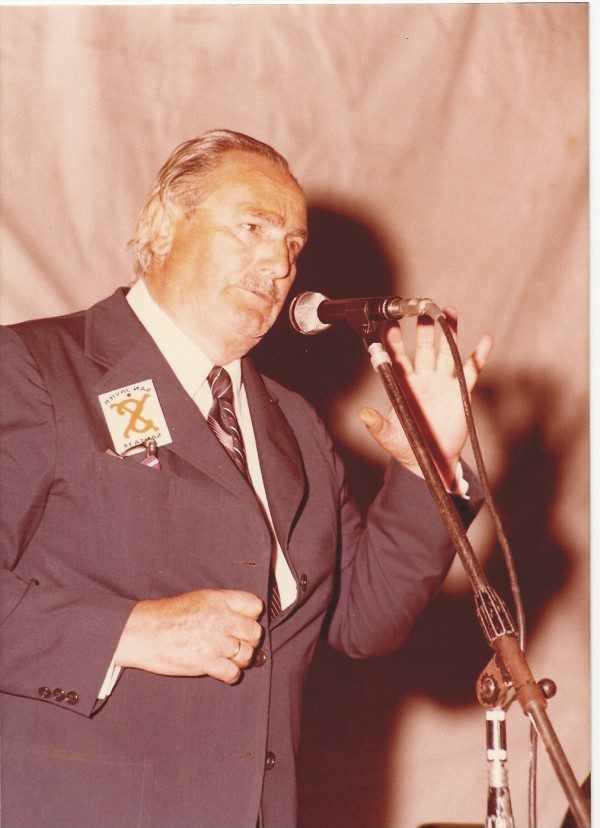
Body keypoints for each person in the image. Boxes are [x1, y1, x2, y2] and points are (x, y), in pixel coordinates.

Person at [0, 130, 492, 827]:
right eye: (253, 227)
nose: (278, 263)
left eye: (292, 244)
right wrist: (128, 631)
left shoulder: (293, 423)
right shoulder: (34, 369)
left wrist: (426, 464)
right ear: (164, 226)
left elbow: (364, 621)